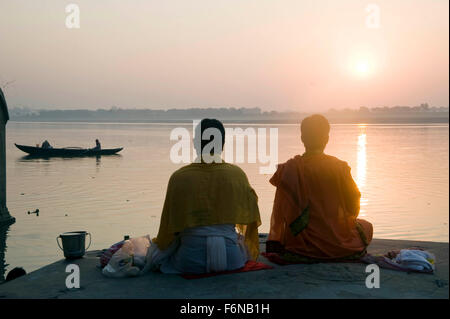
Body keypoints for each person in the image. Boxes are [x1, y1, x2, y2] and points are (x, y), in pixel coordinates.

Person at [146, 119, 261, 274]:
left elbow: (168, 232)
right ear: (222, 144)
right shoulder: (237, 175)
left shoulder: (179, 177)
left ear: (195, 143)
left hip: (190, 261)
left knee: (164, 255)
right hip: (232, 260)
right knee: (238, 242)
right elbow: (251, 215)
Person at [266, 114, 373, 261]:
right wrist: (342, 222)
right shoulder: (339, 167)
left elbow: (281, 211)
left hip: (300, 243)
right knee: (366, 227)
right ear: (327, 138)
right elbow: (353, 204)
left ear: (302, 138)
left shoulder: (288, 170)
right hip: (337, 241)